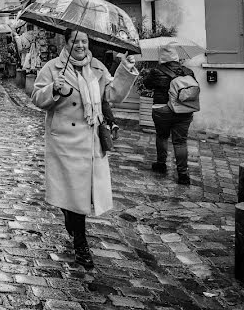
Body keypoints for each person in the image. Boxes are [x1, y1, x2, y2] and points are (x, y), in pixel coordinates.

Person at [31, 29, 137, 269]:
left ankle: (75, 228)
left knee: (80, 193)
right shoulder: (52, 68)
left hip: (89, 139)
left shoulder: (97, 67)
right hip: (64, 141)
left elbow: (112, 95)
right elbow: (37, 98)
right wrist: (53, 90)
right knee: (73, 193)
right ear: (66, 43)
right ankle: (81, 243)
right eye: (75, 41)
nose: (80, 45)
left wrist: (125, 69)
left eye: (84, 41)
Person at [142, 43, 196, 185]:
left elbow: (146, 85)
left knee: (162, 136)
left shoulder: (156, 71)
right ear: (176, 56)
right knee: (180, 142)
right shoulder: (188, 72)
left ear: (162, 57)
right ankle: (183, 174)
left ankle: (161, 164)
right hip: (184, 111)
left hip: (162, 110)